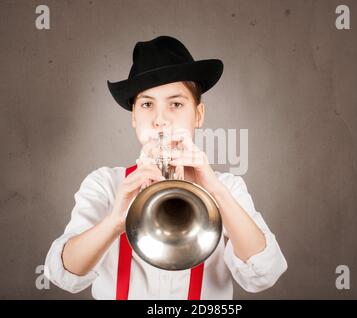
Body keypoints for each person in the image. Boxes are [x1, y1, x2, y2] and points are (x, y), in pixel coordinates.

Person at [44, 35, 287, 300]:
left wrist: (215, 192)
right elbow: (62, 274)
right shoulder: (104, 183)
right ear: (134, 117)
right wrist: (115, 220)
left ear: (198, 115)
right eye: (147, 105)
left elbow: (265, 273)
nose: (160, 120)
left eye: (176, 104)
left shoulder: (227, 188)